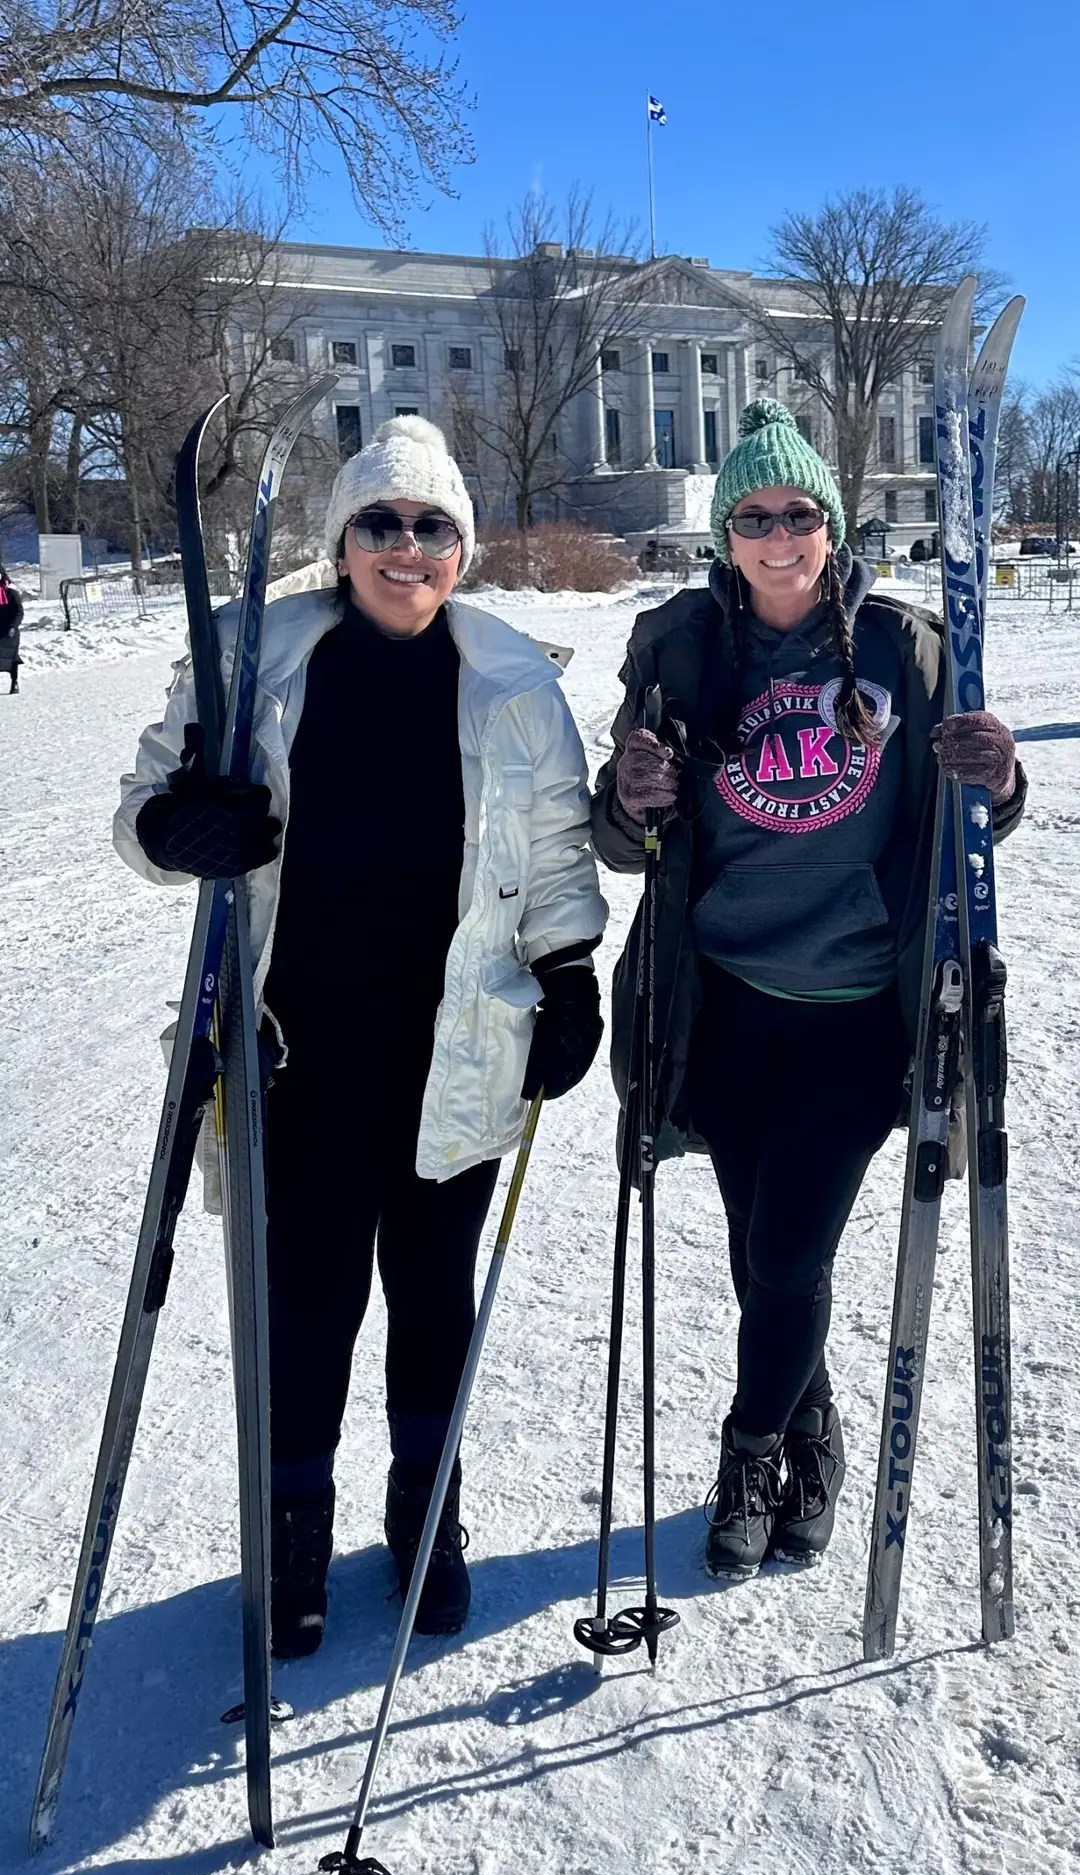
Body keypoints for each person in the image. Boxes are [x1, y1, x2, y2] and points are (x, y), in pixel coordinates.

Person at [114, 416, 607, 1653]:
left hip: (461, 1045)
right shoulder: (253, 660)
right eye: (378, 524)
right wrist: (179, 830)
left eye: (431, 526)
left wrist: (572, 972)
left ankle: (423, 1511)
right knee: (310, 1303)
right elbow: (143, 802)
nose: (405, 547)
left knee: (434, 1299)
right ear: (341, 545)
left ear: (463, 549)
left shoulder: (514, 683)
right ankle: (293, 1522)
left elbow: (552, 853)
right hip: (297, 1050)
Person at [591, 399, 1025, 1579]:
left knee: (789, 1255)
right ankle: (815, 1427)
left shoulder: (907, 647)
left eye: (798, 514)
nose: (778, 535)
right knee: (756, 1251)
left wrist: (1005, 777)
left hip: (857, 1007)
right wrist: (629, 799)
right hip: (724, 1001)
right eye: (753, 515)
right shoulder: (683, 648)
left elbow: (972, 818)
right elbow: (622, 836)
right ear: (726, 534)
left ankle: (750, 1454)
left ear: (832, 526)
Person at [0, 566, 24, 692]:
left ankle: (14, 682)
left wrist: (13, 626)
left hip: (10, 630)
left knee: (11, 657)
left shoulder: (12, 594)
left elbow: (19, 612)